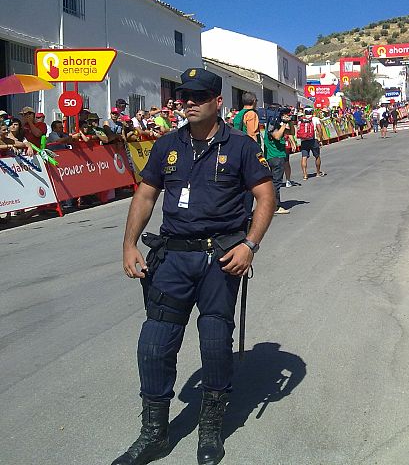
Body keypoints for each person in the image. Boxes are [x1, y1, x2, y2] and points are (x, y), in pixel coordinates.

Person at [113, 67, 276, 465]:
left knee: (215, 341)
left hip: (220, 259)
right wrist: (129, 244)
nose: (187, 102)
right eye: (183, 96)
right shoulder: (167, 144)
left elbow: (265, 195)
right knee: (154, 344)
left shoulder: (239, 145)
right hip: (172, 259)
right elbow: (146, 194)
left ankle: (210, 430)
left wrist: (250, 245)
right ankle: (153, 434)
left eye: (197, 96)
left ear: (218, 102)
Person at [298, 107, 325, 179]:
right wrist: (321, 139)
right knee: (317, 156)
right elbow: (319, 129)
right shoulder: (315, 119)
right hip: (314, 140)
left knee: (304, 157)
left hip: (304, 141)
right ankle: (318, 172)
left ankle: (305, 175)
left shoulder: (301, 120)